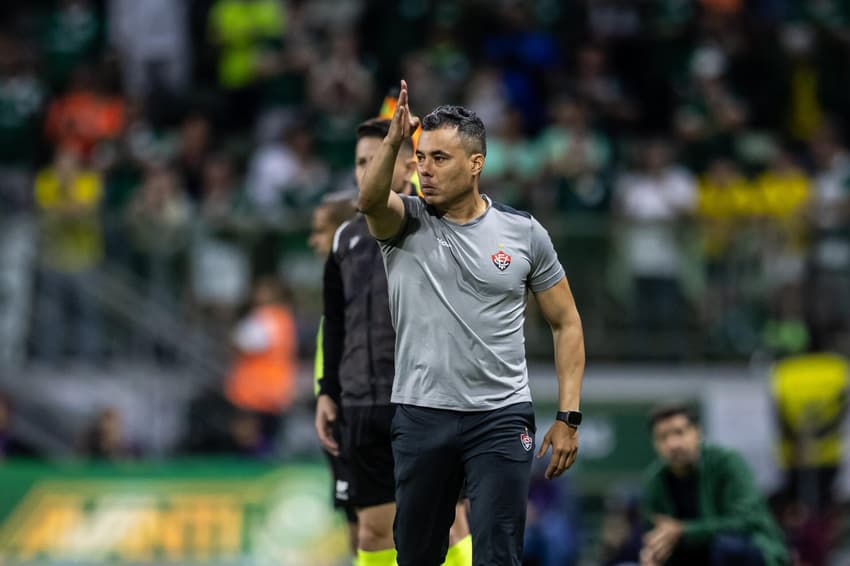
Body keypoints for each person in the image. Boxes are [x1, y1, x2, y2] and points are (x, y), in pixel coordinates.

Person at [356, 80, 585, 565]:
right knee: (416, 556)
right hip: (421, 413)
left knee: (498, 554)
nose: (425, 169)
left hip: (500, 417)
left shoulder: (524, 233)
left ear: (476, 163)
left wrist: (568, 416)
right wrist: (394, 140)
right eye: (421, 157)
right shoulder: (404, 222)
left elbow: (566, 323)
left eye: (440, 158)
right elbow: (370, 201)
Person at [315, 117, 473, 566]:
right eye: (361, 162)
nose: (367, 170)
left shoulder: (439, 226)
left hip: (426, 397)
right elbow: (336, 323)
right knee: (372, 529)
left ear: (407, 167)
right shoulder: (345, 238)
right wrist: (328, 392)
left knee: (449, 520)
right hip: (363, 403)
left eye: (378, 158)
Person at [640, 403, 790, 566]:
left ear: (697, 432)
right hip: (692, 557)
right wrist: (652, 555)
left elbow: (745, 521)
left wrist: (684, 531)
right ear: (655, 444)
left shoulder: (727, 462)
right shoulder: (655, 480)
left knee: (728, 547)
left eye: (679, 432)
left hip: (750, 553)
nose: (673, 444)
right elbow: (655, 533)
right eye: (663, 437)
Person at [309, 193, 359, 560]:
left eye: (320, 231)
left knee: (366, 525)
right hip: (337, 413)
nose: (314, 240)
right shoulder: (336, 286)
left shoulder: (358, 289)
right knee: (356, 524)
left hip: (355, 414)